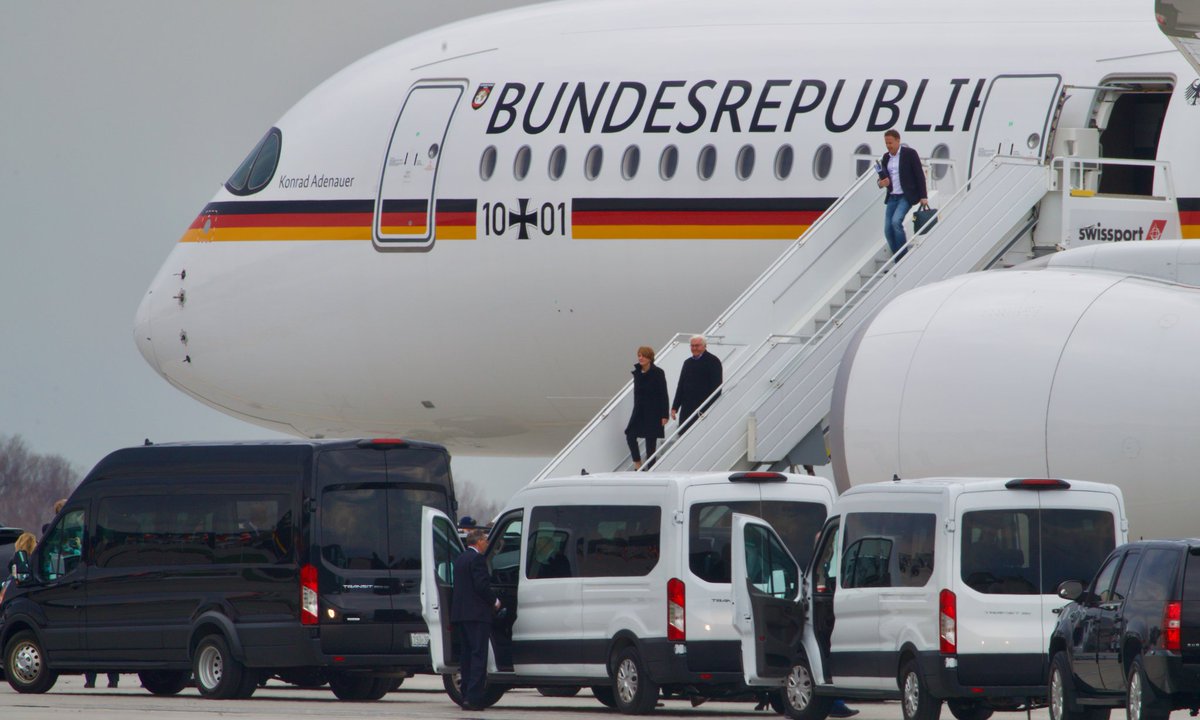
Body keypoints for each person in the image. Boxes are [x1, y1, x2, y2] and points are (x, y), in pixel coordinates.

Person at [451, 529, 500, 710]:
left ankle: (465, 696)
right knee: (479, 656)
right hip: (478, 616)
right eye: (485, 540)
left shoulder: (460, 559)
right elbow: (481, 586)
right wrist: (494, 600)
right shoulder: (478, 559)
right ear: (478, 541)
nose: (487, 543)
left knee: (466, 657)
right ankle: (474, 698)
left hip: (462, 615)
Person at [876, 129, 928, 258]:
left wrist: (923, 196)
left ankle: (903, 257)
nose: (888, 146)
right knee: (887, 230)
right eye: (886, 143)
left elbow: (919, 175)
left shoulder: (909, 154)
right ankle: (897, 257)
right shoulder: (886, 157)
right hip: (892, 197)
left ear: (898, 140)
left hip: (905, 196)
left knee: (895, 222)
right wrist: (881, 183)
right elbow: (882, 177)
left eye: (890, 143)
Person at [624, 345, 669, 469]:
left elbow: (663, 394)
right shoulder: (637, 373)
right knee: (630, 434)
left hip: (654, 411)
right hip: (639, 411)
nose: (641, 358)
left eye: (643, 355)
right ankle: (638, 465)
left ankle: (651, 468)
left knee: (651, 442)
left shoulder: (658, 372)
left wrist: (664, 414)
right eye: (639, 355)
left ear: (650, 358)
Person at [671, 335, 723, 433]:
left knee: (698, 435)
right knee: (684, 434)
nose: (694, 348)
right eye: (692, 346)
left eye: (697, 346)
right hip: (687, 407)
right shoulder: (687, 363)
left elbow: (717, 387)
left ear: (704, 346)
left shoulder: (713, 361)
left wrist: (709, 408)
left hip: (703, 408)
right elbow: (681, 386)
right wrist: (675, 407)